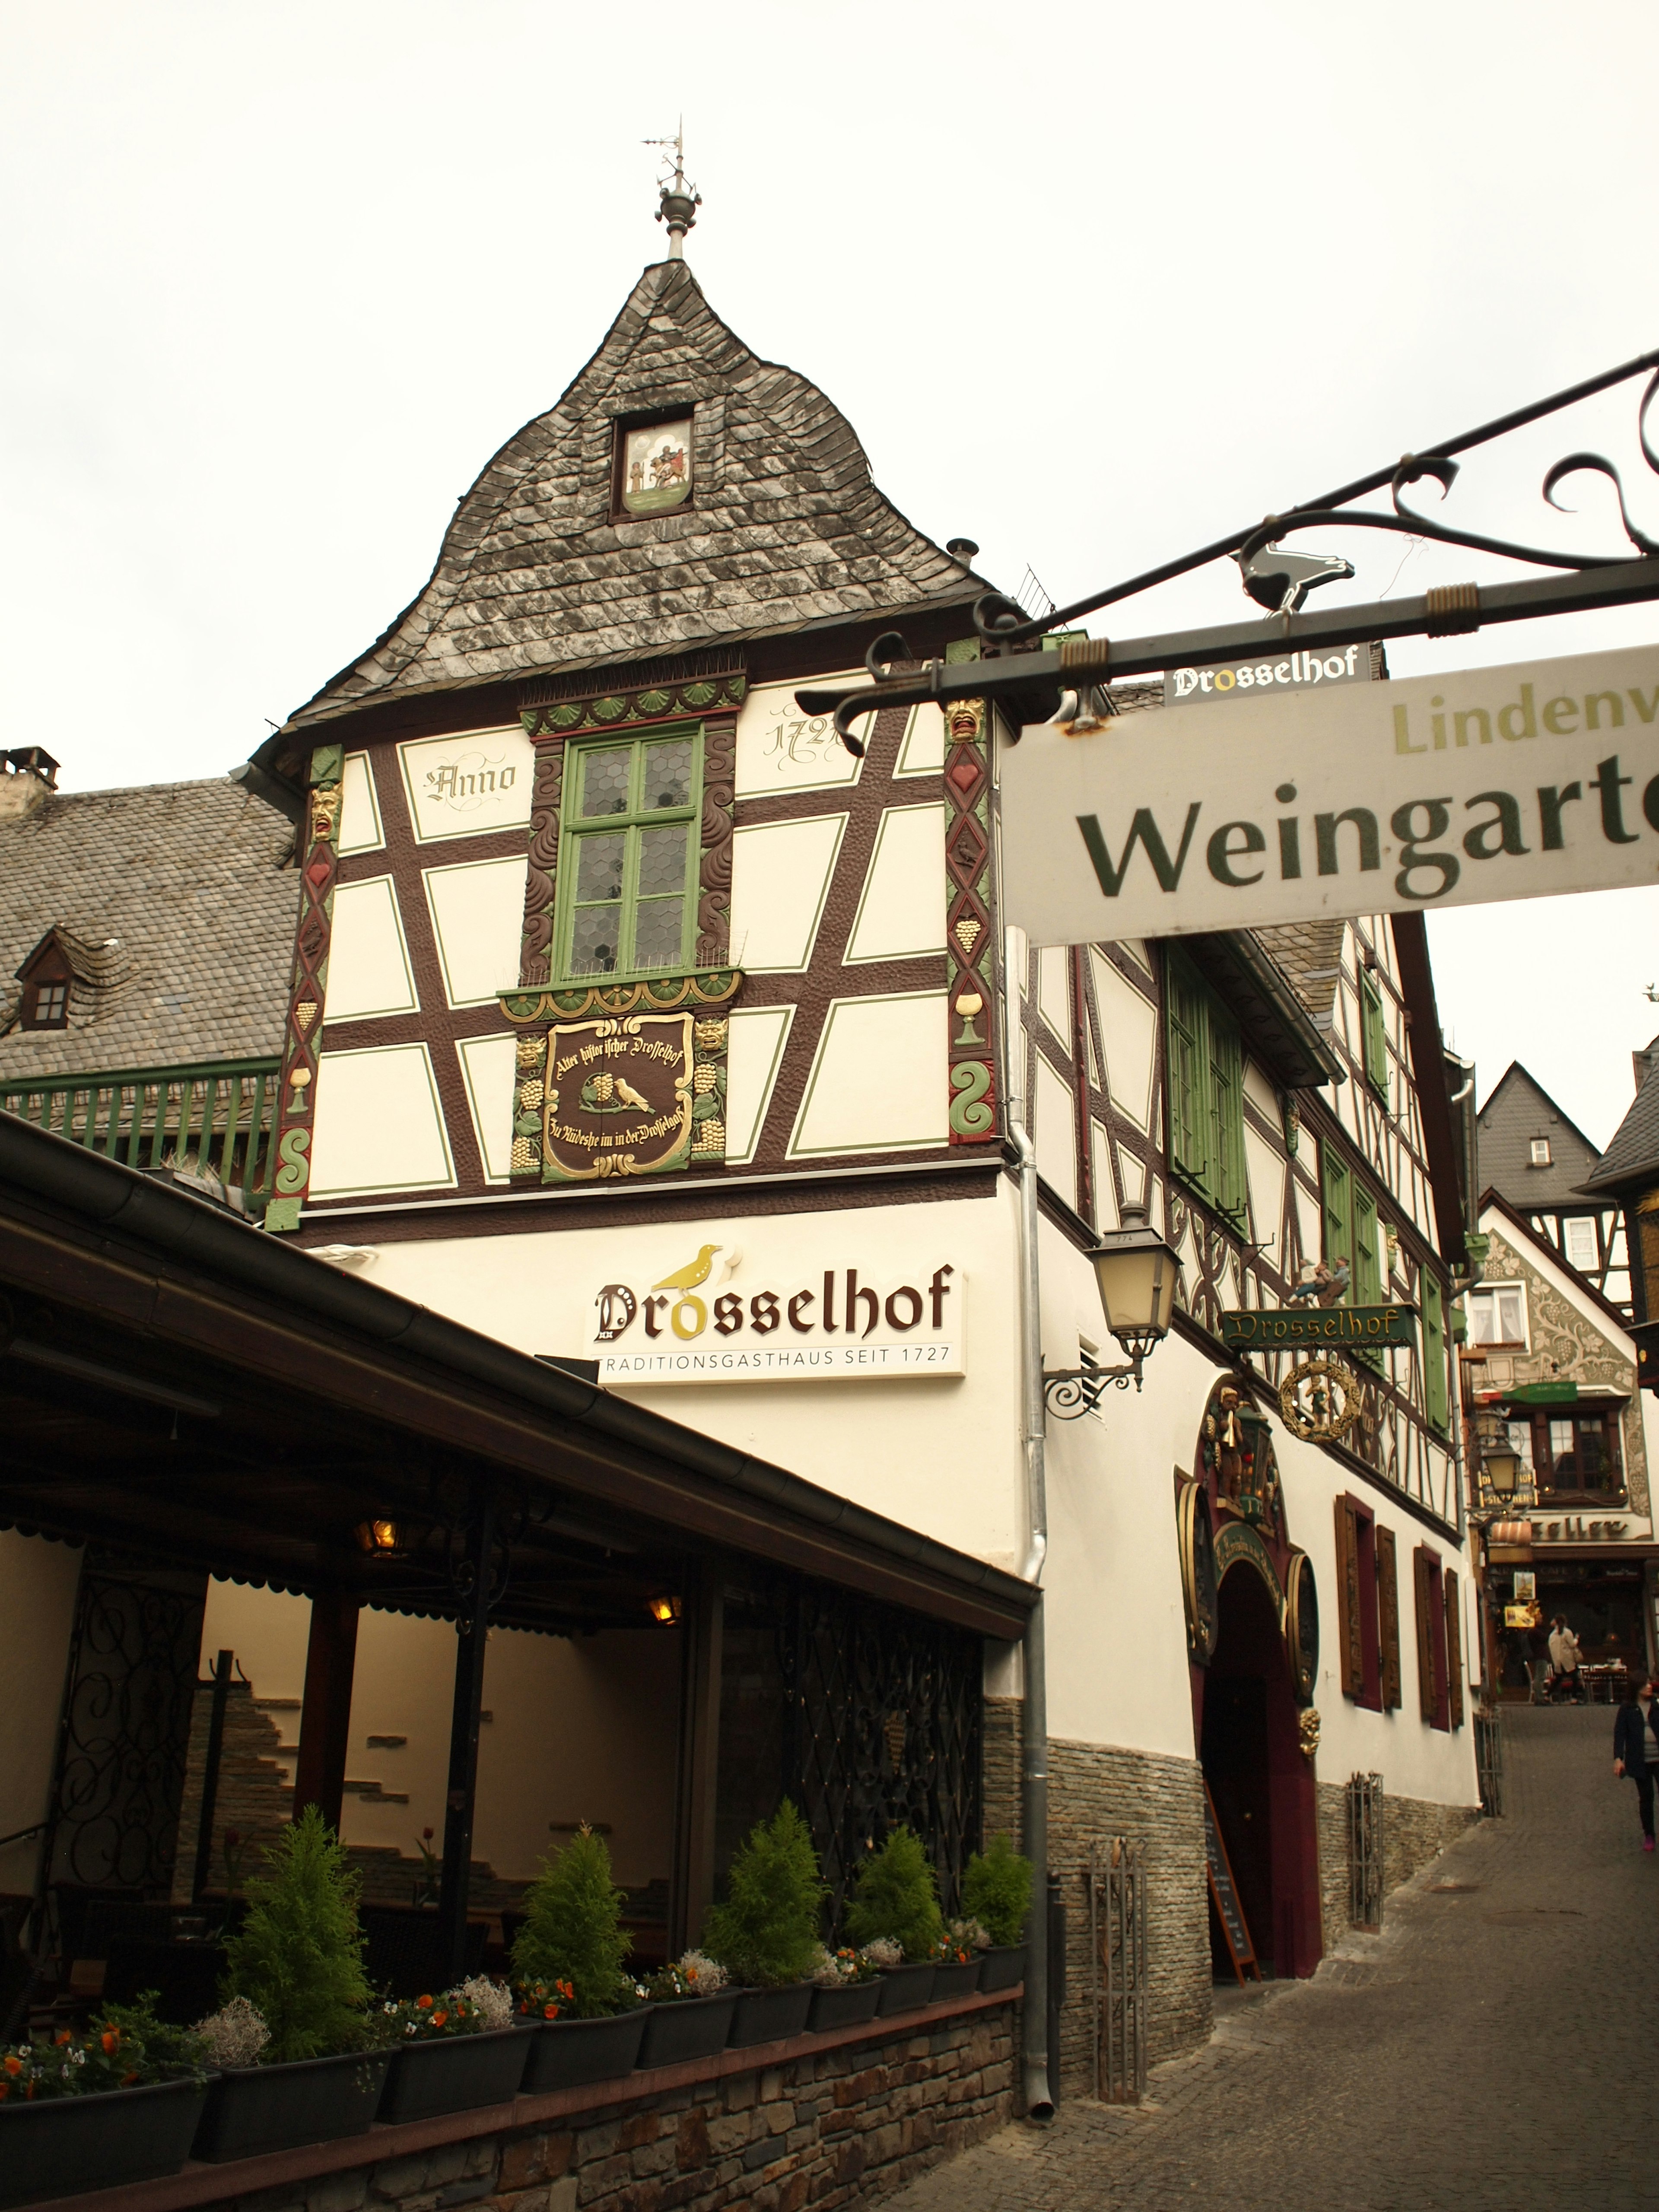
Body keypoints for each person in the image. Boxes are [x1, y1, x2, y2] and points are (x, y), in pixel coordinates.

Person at [1613, 1673, 1659, 1851]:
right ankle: (1649, 1834)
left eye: (1650, 1683)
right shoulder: (1627, 1709)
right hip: (1641, 1761)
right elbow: (1620, 1734)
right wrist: (1618, 1758)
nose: (1650, 1687)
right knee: (1647, 1798)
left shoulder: (1656, 1705)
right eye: (1645, 1684)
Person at [1549, 1615, 1585, 1703]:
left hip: (1557, 1661)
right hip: (1567, 1660)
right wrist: (1577, 1639)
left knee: (1558, 1679)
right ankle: (1574, 1698)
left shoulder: (1552, 1635)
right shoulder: (1567, 1632)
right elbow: (1572, 1645)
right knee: (1575, 1678)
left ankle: (1547, 1695)